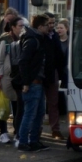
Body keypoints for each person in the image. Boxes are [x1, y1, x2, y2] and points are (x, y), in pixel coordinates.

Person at [17, 14, 50, 152]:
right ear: (40, 26)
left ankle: (34, 140)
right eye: (47, 25)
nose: (50, 27)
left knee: (39, 113)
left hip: (39, 82)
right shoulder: (32, 40)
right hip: (32, 83)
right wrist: (26, 82)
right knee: (30, 113)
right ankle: (23, 142)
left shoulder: (39, 39)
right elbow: (23, 62)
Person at [0, 16, 25, 144]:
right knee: (4, 107)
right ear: (13, 27)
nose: (22, 28)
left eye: (23, 26)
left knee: (18, 106)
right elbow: (0, 60)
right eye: (20, 26)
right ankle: (3, 133)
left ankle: (18, 132)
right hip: (6, 78)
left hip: (18, 78)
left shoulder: (23, 39)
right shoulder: (5, 40)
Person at [43, 12, 66, 140]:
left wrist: (60, 72)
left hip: (53, 73)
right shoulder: (39, 36)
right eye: (49, 23)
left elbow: (59, 55)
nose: (51, 26)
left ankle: (55, 129)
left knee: (53, 102)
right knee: (39, 104)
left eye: (53, 23)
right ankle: (38, 129)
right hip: (41, 74)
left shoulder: (55, 37)